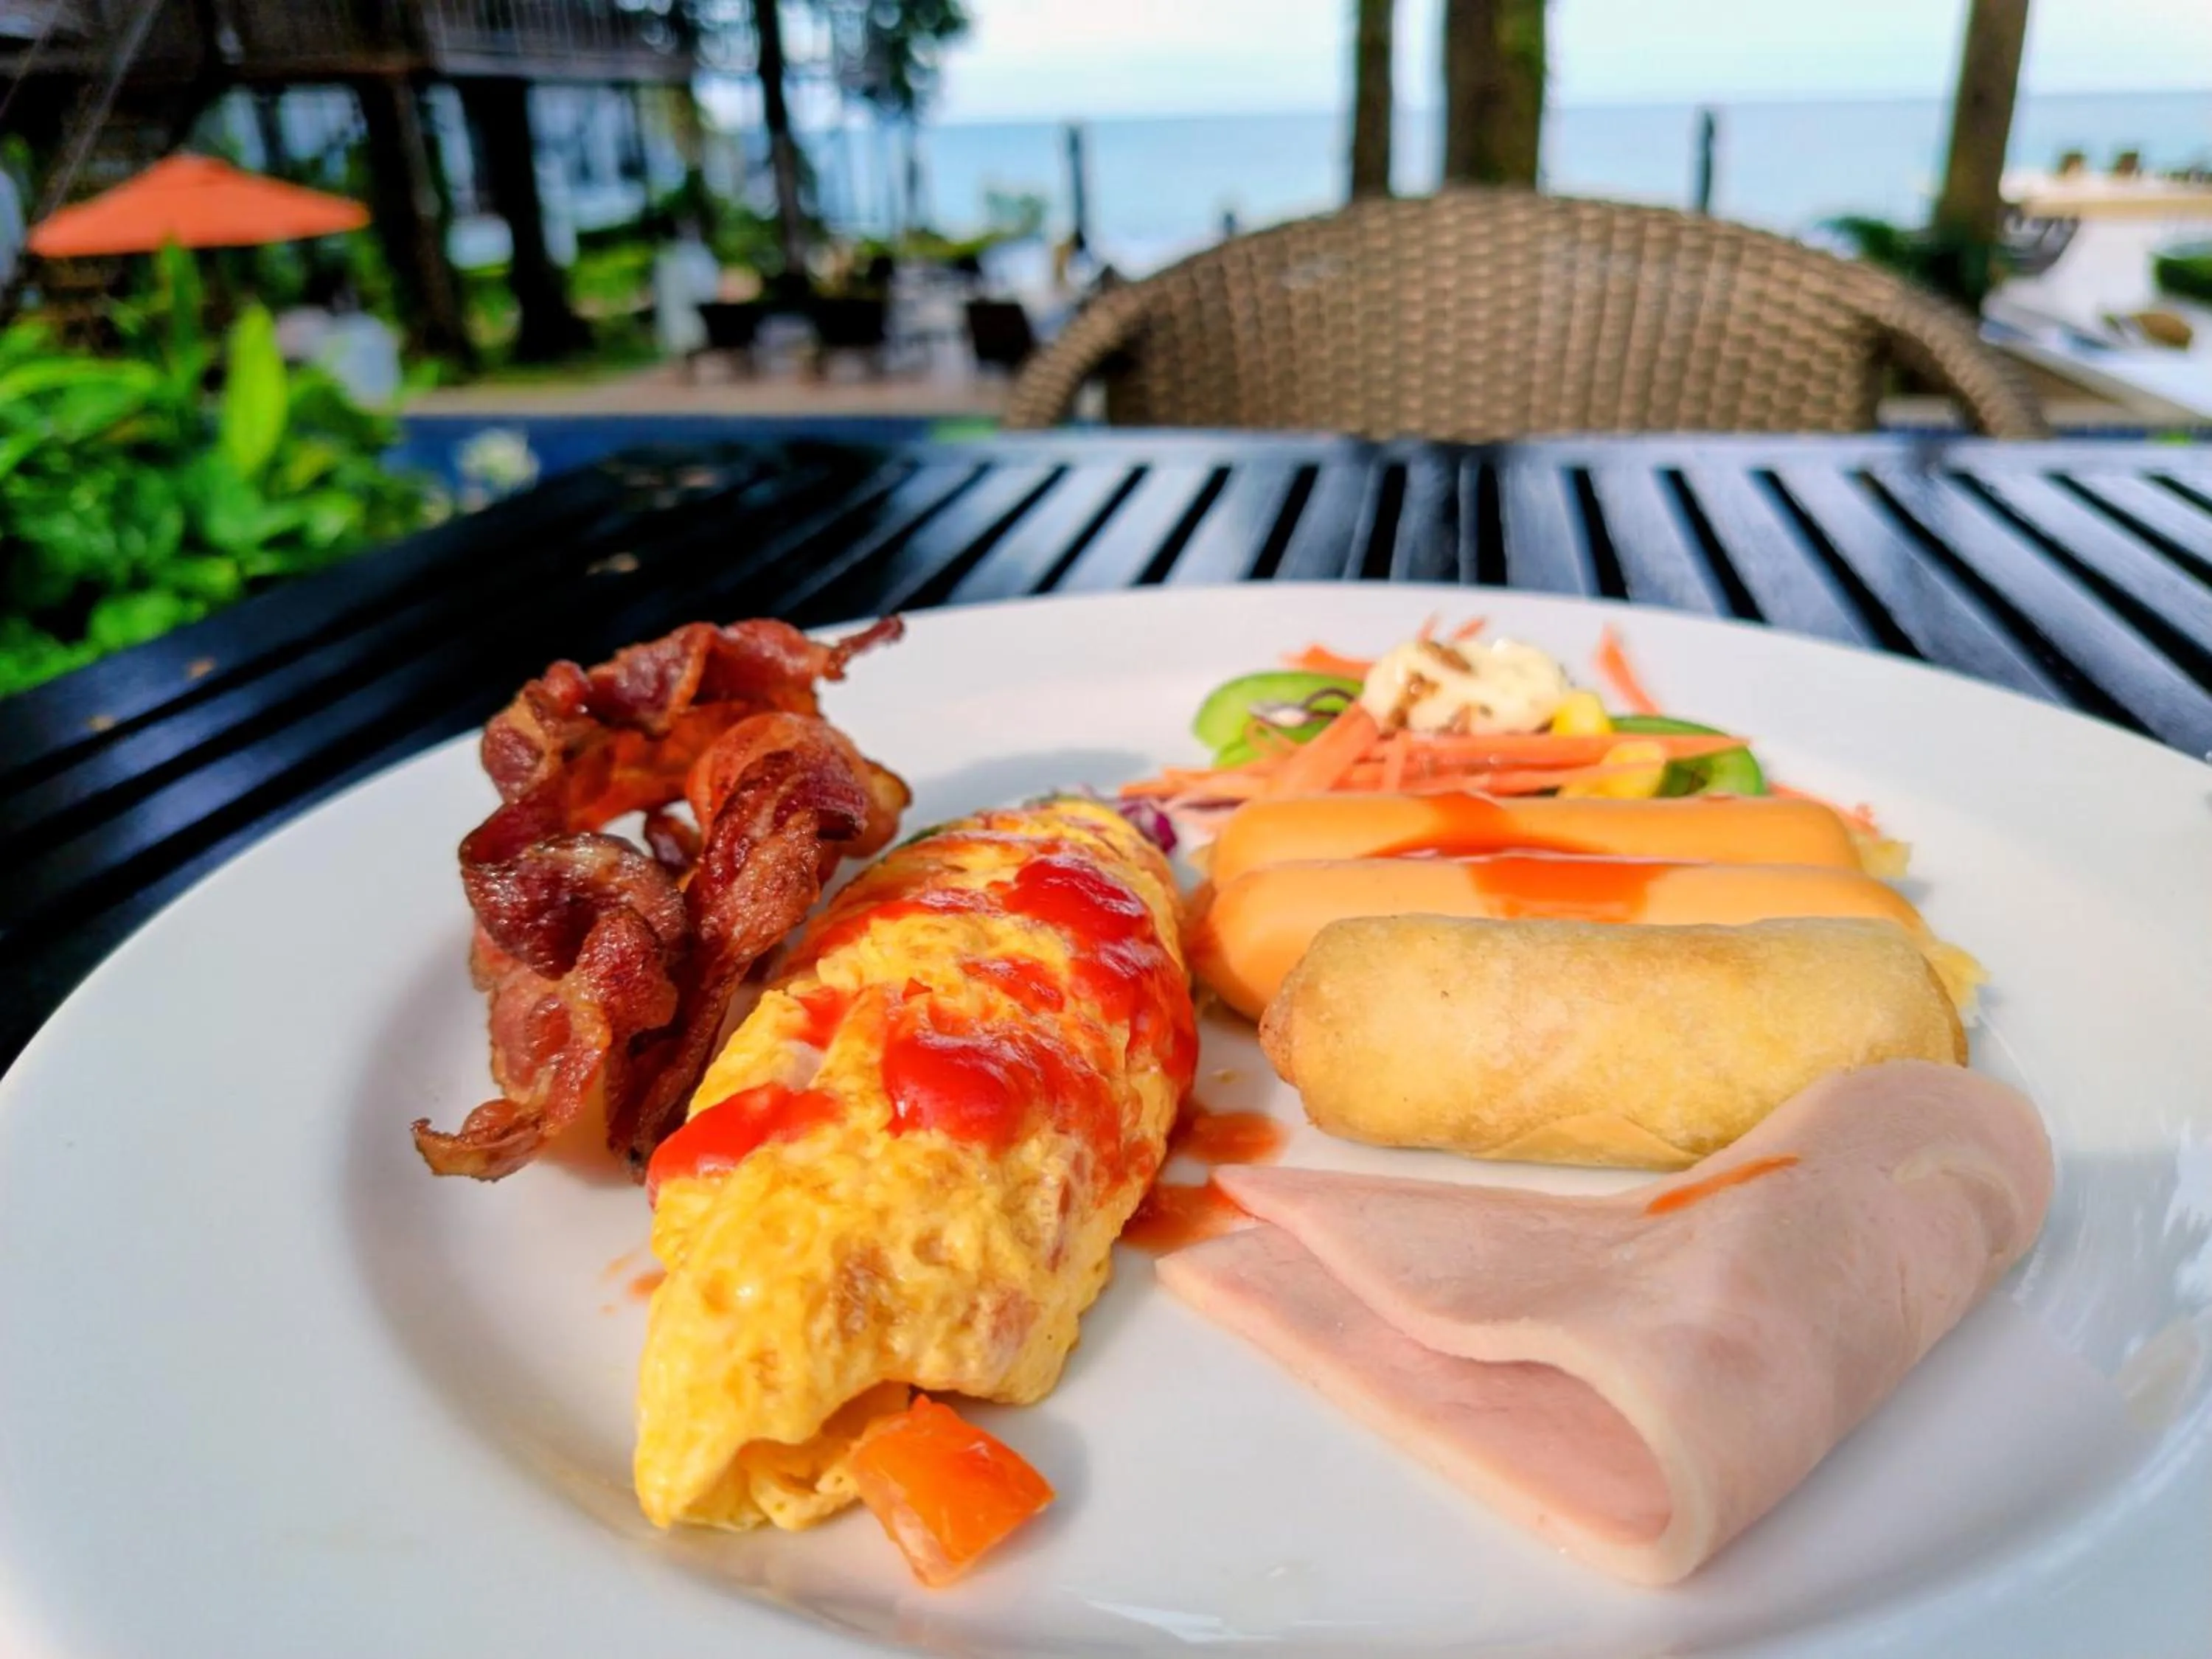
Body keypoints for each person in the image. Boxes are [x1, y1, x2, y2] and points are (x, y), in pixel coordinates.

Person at [653, 217, 720, 359]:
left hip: (707, 300)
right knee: (688, 337)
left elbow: (711, 277)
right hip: (686, 303)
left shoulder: (702, 252)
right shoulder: (674, 256)